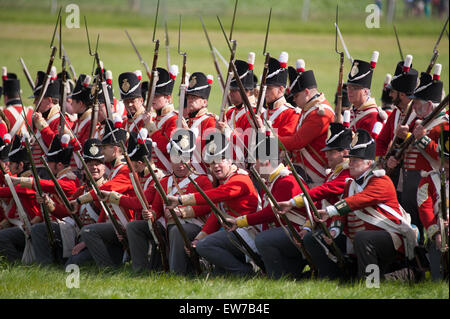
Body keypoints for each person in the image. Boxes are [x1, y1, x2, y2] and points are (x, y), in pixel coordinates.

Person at [315, 129, 418, 280]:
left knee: (364, 238)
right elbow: (342, 215)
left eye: (355, 160)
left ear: (369, 163)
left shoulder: (381, 181)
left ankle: (371, 282)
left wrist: (330, 210)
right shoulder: (350, 185)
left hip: (393, 237)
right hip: (360, 239)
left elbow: (361, 199)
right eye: (350, 160)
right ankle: (336, 277)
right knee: (320, 237)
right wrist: (334, 231)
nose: (350, 164)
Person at [167, 133, 260, 276]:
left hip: (246, 231)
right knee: (214, 269)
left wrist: (181, 200)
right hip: (230, 231)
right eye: (211, 163)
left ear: (229, 161)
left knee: (205, 246)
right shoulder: (224, 180)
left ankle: (244, 272)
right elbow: (216, 215)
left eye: (220, 160)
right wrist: (198, 238)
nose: (215, 166)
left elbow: (213, 196)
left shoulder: (240, 179)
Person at [226, 132, 311, 279]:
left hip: (298, 231)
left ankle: (275, 277)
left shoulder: (286, 181)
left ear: (266, 162)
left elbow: (272, 213)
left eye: (256, 162)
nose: (254, 166)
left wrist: (240, 221)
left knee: (263, 239)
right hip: (283, 230)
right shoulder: (273, 181)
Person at [277, 122, 353, 279]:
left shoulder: (346, 174)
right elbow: (318, 204)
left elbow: (321, 192)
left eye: (331, 152)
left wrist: (292, 202)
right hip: (330, 222)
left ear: (345, 152)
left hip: (346, 227)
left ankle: (329, 275)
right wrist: (307, 226)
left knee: (312, 239)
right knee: (307, 236)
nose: (327, 156)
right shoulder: (335, 173)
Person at [386, 65, 448, 243]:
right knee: (411, 226)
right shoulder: (423, 124)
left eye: (418, 102)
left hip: (431, 183)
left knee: (433, 227)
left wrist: (422, 139)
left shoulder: (443, 125)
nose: (415, 106)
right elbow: (409, 150)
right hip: (410, 181)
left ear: (429, 105)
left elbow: (443, 156)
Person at [278, 59, 335, 187]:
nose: (293, 99)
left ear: (307, 92)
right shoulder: (309, 109)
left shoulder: (320, 113)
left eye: (296, 96)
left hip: (314, 173)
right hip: (303, 168)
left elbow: (297, 142)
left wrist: (272, 139)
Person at [376, 56, 419, 196]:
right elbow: (381, 142)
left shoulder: (418, 115)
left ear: (402, 94)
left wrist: (406, 137)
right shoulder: (395, 114)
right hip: (393, 172)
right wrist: (384, 160)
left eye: (393, 92)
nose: (390, 95)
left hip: (413, 174)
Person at [0, 135, 41, 263]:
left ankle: (16, 263)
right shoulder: (21, 180)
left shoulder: (29, 182)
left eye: (12, 163)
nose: (9, 166)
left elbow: (10, 191)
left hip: (35, 227)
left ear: (20, 164)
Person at [417, 129, 449, 280]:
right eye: (446, 161)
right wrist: (437, 234)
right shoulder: (427, 180)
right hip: (438, 230)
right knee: (438, 277)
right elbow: (425, 209)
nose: (448, 166)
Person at [145, 66, 179, 174]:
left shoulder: (174, 119)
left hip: (168, 172)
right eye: (151, 95)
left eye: (157, 96)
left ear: (168, 98)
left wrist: (150, 126)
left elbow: (166, 146)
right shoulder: (154, 118)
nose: (152, 99)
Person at [346, 52, 387, 139]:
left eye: (355, 88)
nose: (350, 91)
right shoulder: (353, 110)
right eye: (349, 87)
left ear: (365, 91)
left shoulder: (373, 115)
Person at [185, 72, 217, 174]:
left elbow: (210, 150)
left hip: (202, 174)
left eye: (194, 97)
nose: (190, 100)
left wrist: (187, 135)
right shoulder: (187, 121)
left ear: (204, 102)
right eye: (189, 97)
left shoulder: (210, 120)